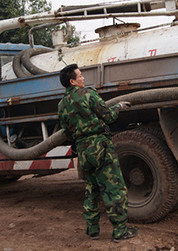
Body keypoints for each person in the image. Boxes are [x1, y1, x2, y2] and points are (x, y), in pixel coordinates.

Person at [57, 64, 137, 242]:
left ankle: (92, 230)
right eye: (80, 76)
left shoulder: (61, 104)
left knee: (91, 190)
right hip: (100, 147)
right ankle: (120, 232)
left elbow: (66, 132)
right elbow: (108, 116)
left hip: (83, 151)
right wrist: (119, 107)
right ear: (72, 81)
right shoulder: (88, 94)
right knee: (114, 188)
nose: (83, 78)